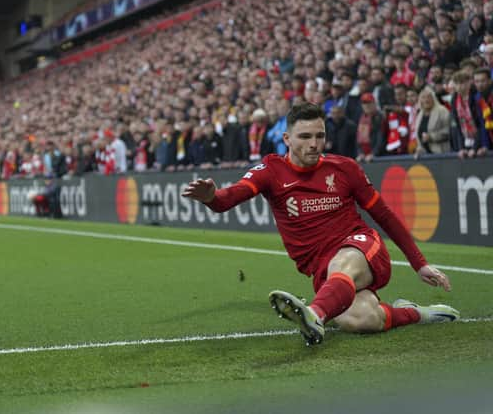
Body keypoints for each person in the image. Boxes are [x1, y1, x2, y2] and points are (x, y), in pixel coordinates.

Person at [181, 103, 459, 346]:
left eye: (319, 136)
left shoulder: (345, 168)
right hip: (324, 271)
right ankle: (415, 312)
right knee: (363, 319)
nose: (314, 143)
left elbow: (384, 215)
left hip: (362, 247)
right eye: (305, 137)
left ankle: (315, 315)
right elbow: (228, 198)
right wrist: (211, 197)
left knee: (343, 265)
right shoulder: (271, 170)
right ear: (287, 138)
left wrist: (418, 262)